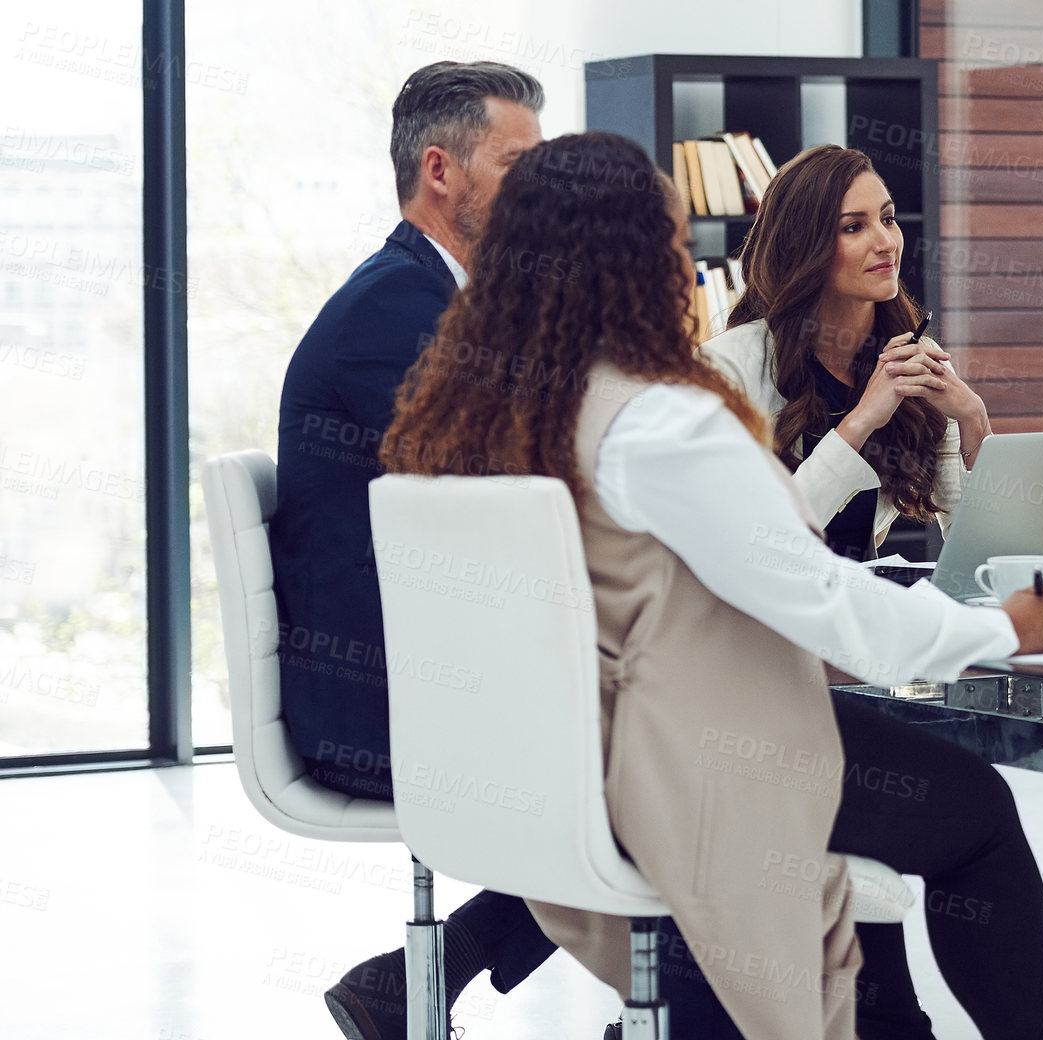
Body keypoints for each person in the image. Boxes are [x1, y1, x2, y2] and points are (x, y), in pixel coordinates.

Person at [378, 130, 1043, 1040]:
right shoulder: (663, 419)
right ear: (643, 262)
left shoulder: (500, 408)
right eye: (673, 243)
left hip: (554, 761)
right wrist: (1002, 631)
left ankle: (887, 1020)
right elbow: (823, 602)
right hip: (691, 766)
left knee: (899, 782)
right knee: (978, 808)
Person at [267, 61, 554, 1038]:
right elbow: (512, 501)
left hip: (431, 671)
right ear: (442, 170)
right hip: (377, 705)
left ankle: (413, 980)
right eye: (519, 167)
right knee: (672, 753)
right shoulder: (394, 317)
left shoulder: (442, 301)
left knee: (672, 742)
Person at [702, 145, 991, 560]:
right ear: (804, 247)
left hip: (864, 604)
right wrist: (859, 423)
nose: (886, 242)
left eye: (888, 219)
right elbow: (758, 542)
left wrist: (973, 419)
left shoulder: (909, 358)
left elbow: (982, 558)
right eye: (854, 228)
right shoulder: (726, 367)